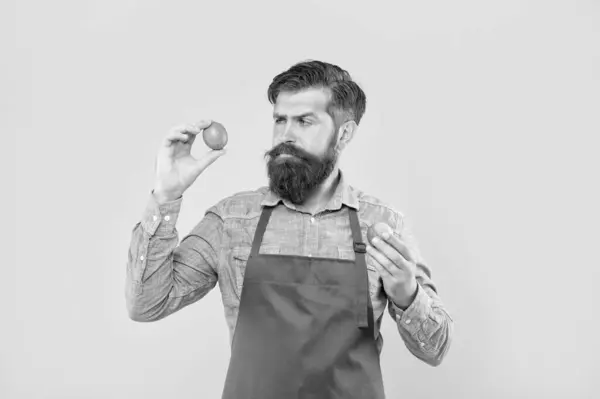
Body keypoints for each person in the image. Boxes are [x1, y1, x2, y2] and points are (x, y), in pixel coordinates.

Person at [125, 60, 453, 399]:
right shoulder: (233, 220)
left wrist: (407, 294)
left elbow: (436, 348)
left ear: (344, 133)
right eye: (280, 120)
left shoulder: (382, 226)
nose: (285, 135)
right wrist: (165, 196)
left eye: (304, 121)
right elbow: (147, 303)